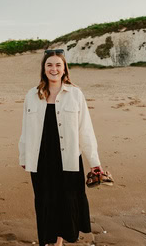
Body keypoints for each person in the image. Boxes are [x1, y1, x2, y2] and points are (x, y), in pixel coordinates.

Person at [19, 49, 102, 246]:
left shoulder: (75, 94)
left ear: (64, 69)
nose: (53, 69)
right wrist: (24, 157)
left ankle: (58, 243)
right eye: (49, 65)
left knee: (67, 203)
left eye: (58, 65)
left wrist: (94, 161)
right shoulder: (32, 95)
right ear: (44, 69)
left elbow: (86, 129)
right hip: (41, 159)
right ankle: (50, 243)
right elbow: (25, 129)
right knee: (46, 203)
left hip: (69, 159)